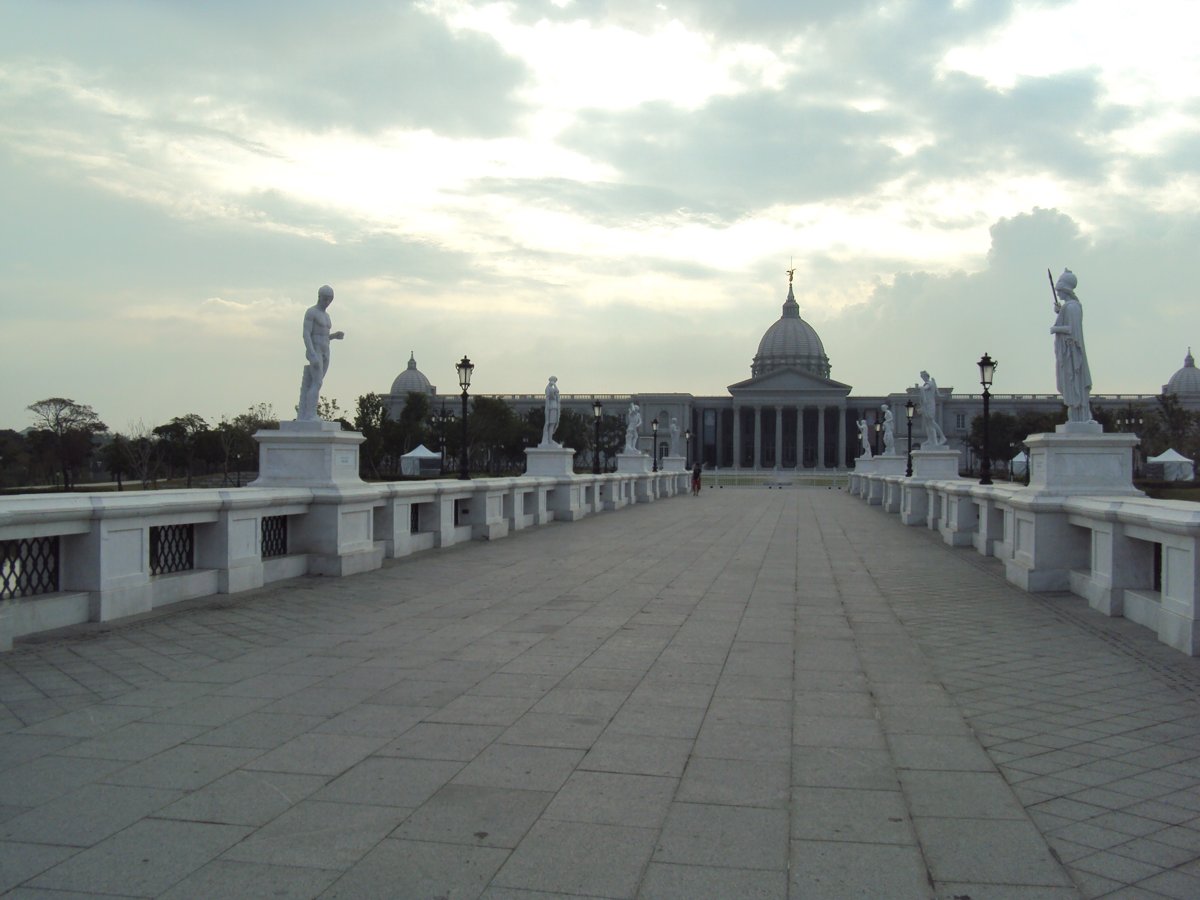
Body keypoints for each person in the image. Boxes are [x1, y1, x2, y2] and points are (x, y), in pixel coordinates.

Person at [1051, 268, 1094, 423]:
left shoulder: (1072, 307)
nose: (1059, 294)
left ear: (1065, 290)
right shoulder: (1070, 307)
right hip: (1068, 352)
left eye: (1060, 291)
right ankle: (1076, 416)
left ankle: (1081, 416)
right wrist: (1060, 312)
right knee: (1071, 385)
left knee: (1075, 384)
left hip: (1073, 354)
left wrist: (1055, 328)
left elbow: (1072, 330)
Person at [297, 285, 345, 421]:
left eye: (330, 300)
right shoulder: (311, 312)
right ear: (319, 297)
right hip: (316, 349)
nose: (327, 302)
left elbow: (324, 336)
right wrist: (311, 353)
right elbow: (307, 334)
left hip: (326, 350)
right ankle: (309, 414)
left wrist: (334, 336)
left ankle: (308, 413)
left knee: (317, 382)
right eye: (325, 299)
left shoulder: (327, 316)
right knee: (317, 382)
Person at [916, 370, 947, 448]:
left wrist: (921, 387)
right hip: (927, 405)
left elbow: (926, 388)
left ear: (926, 376)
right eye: (921, 377)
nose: (922, 378)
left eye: (923, 376)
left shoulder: (929, 383)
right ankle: (931, 440)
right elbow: (938, 393)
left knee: (931, 421)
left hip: (929, 404)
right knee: (928, 423)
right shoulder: (932, 383)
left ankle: (942, 437)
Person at [540, 376, 561, 447]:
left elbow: (557, 391)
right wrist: (554, 385)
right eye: (554, 381)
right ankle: (549, 440)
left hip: (554, 408)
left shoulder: (551, 388)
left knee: (553, 424)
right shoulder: (548, 388)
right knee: (551, 424)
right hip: (552, 408)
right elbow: (556, 392)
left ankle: (550, 439)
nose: (554, 382)